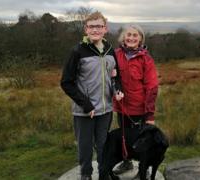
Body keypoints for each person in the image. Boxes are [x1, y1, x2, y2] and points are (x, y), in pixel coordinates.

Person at [60, 11, 122, 180]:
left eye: (99, 26)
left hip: (106, 109)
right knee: (85, 147)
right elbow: (66, 82)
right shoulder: (78, 51)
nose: (95, 29)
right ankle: (86, 175)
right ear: (86, 29)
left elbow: (116, 75)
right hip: (85, 111)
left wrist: (117, 89)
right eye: (92, 26)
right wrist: (86, 105)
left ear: (105, 29)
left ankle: (104, 174)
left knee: (103, 146)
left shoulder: (110, 50)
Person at [113, 24, 159, 175]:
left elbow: (152, 87)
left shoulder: (146, 59)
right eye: (129, 35)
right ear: (123, 38)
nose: (131, 38)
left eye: (135, 35)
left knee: (141, 142)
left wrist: (150, 114)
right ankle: (126, 163)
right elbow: (111, 77)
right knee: (124, 138)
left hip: (139, 109)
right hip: (121, 107)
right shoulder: (115, 54)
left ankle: (143, 169)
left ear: (140, 39)